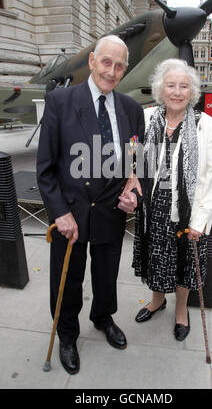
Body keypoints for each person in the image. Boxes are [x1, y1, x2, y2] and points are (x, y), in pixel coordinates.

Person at [37, 35, 145, 374]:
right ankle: (68, 334)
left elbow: (137, 168)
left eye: (118, 66)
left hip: (111, 213)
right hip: (71, 212)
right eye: (106, 62)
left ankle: (102, 317)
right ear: (92, 61)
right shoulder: (60, 102)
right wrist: (59, 213)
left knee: (106, 273)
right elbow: (46, 169)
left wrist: (135, 197)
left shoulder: (132, 110)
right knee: (68, 279)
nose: (111, 72)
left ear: (124, 69)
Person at [130, 58, 212, 341]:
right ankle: (158, 300)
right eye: (171, 85)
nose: (177, 92)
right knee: (155, 258)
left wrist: (201, 220)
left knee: (184, 263)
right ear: (161, 88)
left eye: (184, 86)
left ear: (192, 91)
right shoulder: (146, 119)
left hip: (189, 210)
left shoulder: (207, 125)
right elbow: (133, 158)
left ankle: (181, 309)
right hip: (154, 205)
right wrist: (131, 176)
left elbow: (211, 177)